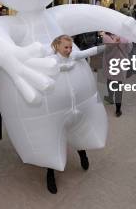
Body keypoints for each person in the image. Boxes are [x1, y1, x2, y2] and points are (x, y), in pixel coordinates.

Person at [43, 34, 105, 194]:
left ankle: (82, 154)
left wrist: (109, 46)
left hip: (75, 106)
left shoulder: (74, 55)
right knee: (53, 139)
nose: (70, 50)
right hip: (56, 107)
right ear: (57, 46)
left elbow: (89, 52)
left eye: (71, 47)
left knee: (77, 131)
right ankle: (50, 173)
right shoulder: (49, 61)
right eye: (66, 47)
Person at [102, 32, 132, 117]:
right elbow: (129, 49)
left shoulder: (106, 36)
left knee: (110, 80)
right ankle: (118, 109)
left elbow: (107, 48)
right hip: (121, 63)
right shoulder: (126, 37)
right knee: (119, 86)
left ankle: (110, 98)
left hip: (109, 63)